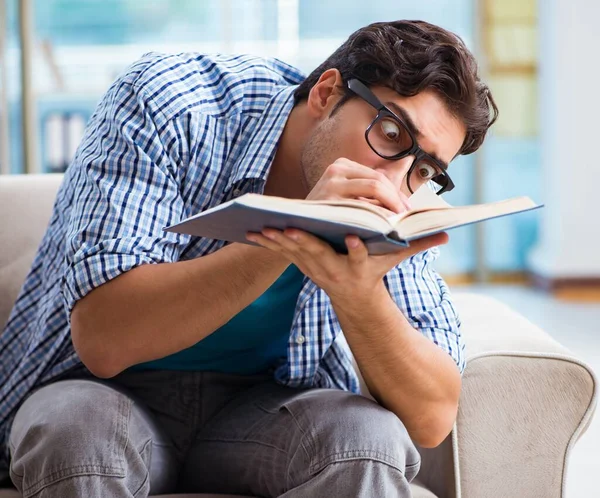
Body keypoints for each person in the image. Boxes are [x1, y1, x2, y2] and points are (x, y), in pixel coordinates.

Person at [0, 19, 497, 498]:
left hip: (263, 407)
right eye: (391, 134)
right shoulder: (171, 104)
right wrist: (296, 228)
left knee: (367, 441)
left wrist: (357, 291)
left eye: (425, 168)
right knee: (76, 436)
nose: (395, 180)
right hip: (106, 391)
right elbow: (104, 340)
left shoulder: (394, 198)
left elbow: (432, 418)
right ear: (327, 93)